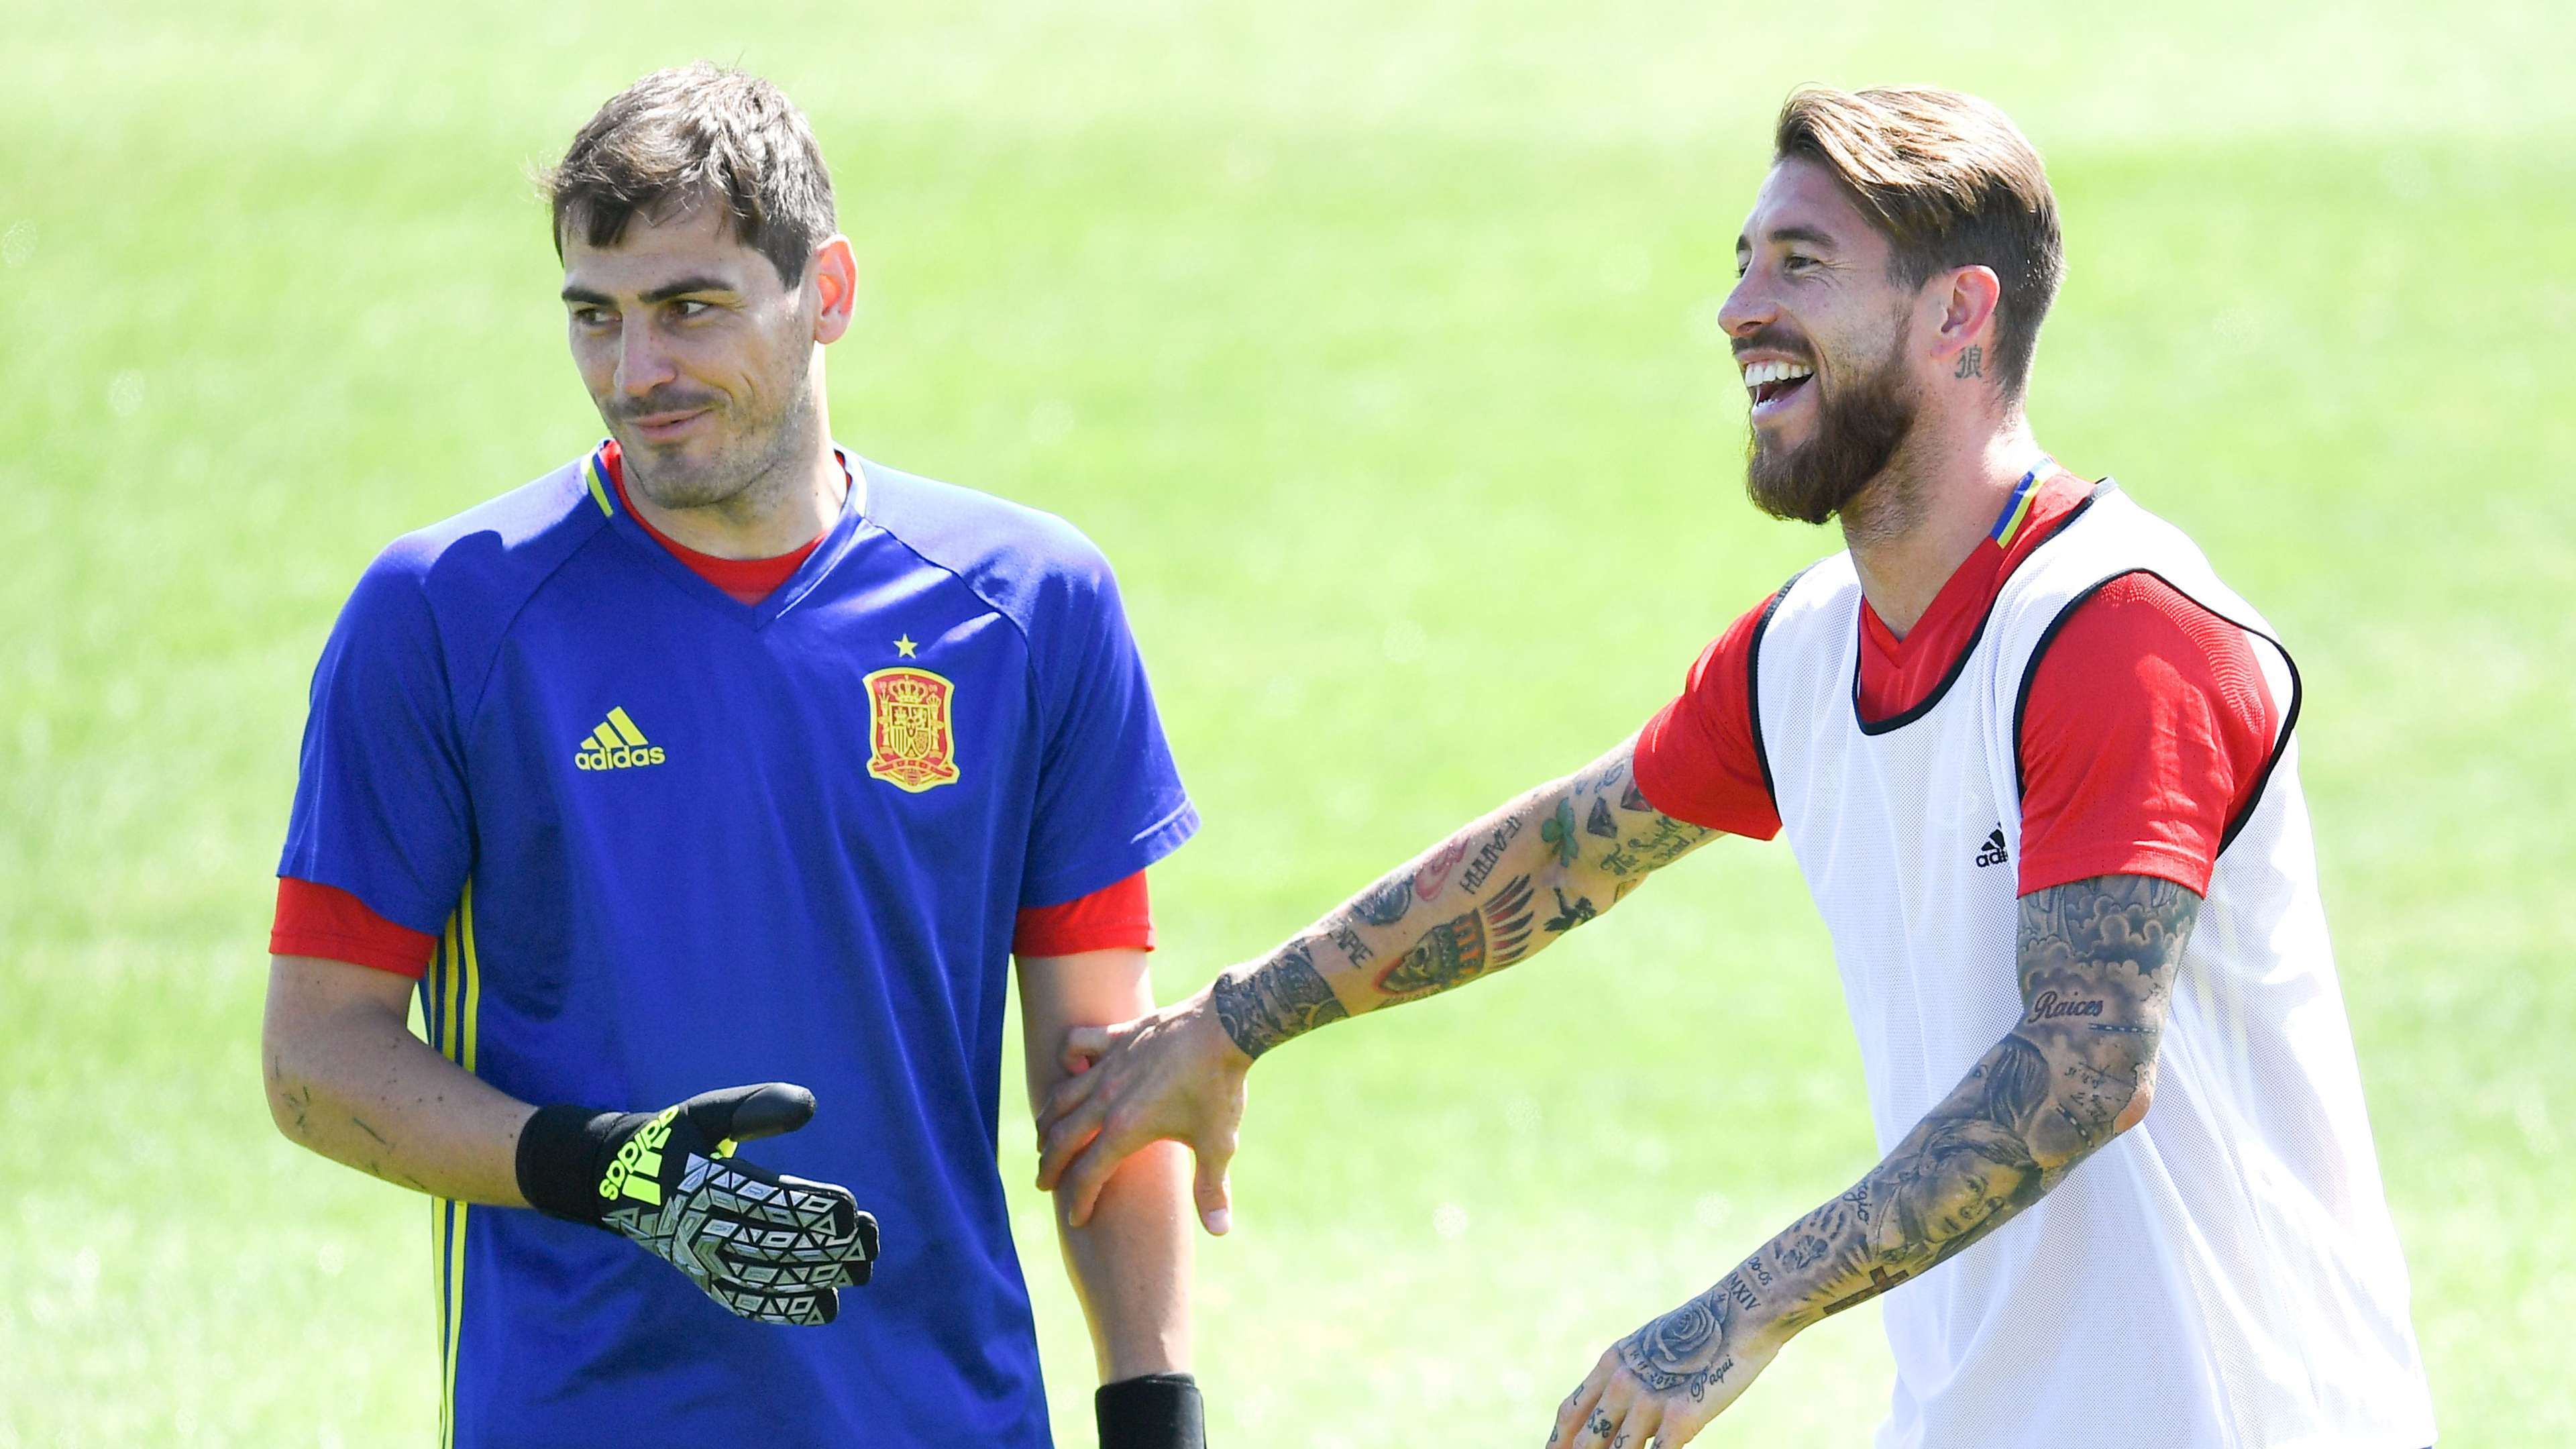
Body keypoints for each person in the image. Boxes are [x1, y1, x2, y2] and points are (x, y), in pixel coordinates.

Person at [1034, 86, 2437, 1449]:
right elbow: (1567, 851)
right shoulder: (1808, 652)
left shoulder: (2118, 632)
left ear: (1959, 313)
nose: (1737, 308)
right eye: (1745, 260)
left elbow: (2088, 1059)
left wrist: (1738, 1315)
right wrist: (1231, 1025)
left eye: (1801, 264)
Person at [261, 63, 1208, 1449]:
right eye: (596, 317)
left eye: (690, 309)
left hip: (947, 1422)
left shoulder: (1028, 608)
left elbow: (1103, 1078)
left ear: (828, 292)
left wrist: (1154, 1408)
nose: (635, 374)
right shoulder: (445, 616)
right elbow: (313, 1060)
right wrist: (608, 1169)